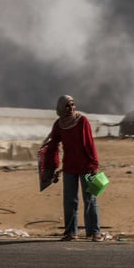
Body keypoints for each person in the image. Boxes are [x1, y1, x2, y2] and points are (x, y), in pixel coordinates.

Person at [42, 95, 102, 241]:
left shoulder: (82, 121)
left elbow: (89, 144)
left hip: (87, 166)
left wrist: (94, 164)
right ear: (61, 108)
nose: (71, 108)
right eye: (68, 106)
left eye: (73, 105)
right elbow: (53, 145)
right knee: (70, 200)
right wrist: (51, 165)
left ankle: (95, 232)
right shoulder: (59, 124)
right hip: (69, 167)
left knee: (91, 199)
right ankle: (71, 232)